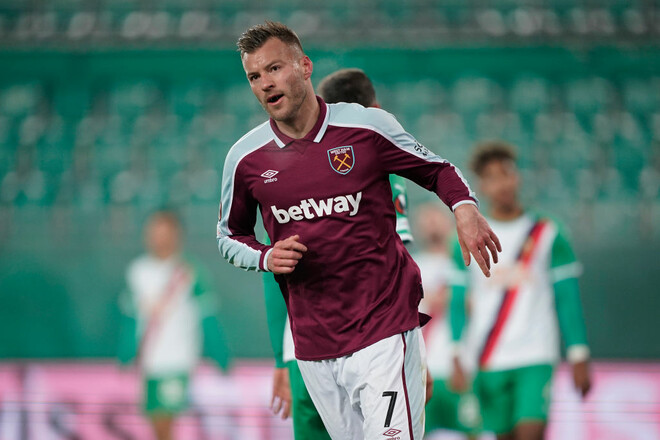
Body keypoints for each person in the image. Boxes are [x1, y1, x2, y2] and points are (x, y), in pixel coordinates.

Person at [216, 21, 500, 440]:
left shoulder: (366, 126)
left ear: (304, 66)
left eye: (274, 68)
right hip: (314, 345)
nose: (265, 83)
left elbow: (437, 169)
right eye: (254, 76)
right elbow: (228, 236)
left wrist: (464, 208)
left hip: (384, 329)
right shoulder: (245, 159)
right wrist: (265, 256)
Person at [265, 68, 416, 440]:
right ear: (376, 112)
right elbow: (398, 268)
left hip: (303, 352)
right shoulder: (383, 174)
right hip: (372, 347)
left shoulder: (286, 176)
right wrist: (415, 355)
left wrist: (281, 359)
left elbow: (276, 274)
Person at [449, 141, 592, 440]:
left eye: (507, 173)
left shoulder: (548, 232)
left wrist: (578, 352)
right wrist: (456, 353)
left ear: (517, 176)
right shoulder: (467, 236)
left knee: (530, 433)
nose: (502, 183)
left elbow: (567, 297)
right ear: (481, 186)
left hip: (535, 355)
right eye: (492, 177)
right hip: (488, 357)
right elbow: (458, 301)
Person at [119, 210, 231, 440]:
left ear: (177, 235)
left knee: (164, 423)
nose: (159, 238)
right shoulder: (137, 271)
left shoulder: (190, 271)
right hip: (149, 363)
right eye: (154, 232)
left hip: (177, 360)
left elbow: (207, 317)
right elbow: (131, 319)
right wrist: (126, 354)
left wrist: (221, 356)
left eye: (165, 232)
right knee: (156, 425)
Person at [413, 203, 481, 439]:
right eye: (426, 220)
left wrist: (453, 298)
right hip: (422, 370)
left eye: (435, 218)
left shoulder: (468, 262)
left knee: (473, 430)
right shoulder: (411, 266)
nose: (431, 225)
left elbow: (480, 305)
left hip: (461, 366)